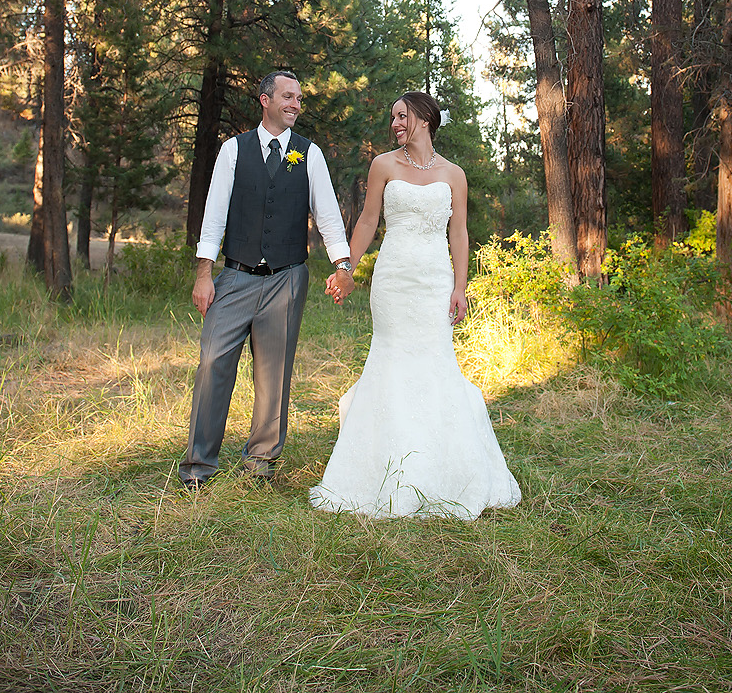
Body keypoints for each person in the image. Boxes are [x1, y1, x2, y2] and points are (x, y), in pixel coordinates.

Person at [310, 91, 521, 519]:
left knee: (436, 361)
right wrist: (347, 269)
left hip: (434, 281)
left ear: (425, 119)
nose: (396, 124)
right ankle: (384, 467)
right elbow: (368, 220)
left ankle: (441, 467)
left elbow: (458, 233)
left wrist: (460, 287)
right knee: (390, 359)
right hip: (393, 280)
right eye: (393, 117)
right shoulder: (384, 165)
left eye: (402, 116)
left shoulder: (454, 174)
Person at [179, 71, 353, 489]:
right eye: (288, 96)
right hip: (235, 276)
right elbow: (214, 214)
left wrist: (343, 265)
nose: (295, 104)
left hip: (286, 279)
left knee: (274, 376)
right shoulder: (233, 150)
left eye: (299, 98)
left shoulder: (309, 154)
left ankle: (260, 462)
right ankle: (199, 466)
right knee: (212, 362)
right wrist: (204, 274)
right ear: (265, 100)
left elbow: (328, 214)